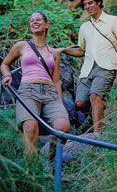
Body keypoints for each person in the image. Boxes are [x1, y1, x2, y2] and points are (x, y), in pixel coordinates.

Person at [1, 11, 70, 162]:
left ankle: (49, 160)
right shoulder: (22, 46)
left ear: (46, 24)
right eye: (32, 20)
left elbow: (56, 80)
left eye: (38, 20)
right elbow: (5, 64)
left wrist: (60, 103)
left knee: (63, 127)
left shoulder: (54, 52)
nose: (34, 22)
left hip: (50, 92)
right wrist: (7, 75)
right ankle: (32, 173)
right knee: (31, 129)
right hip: (28, 91)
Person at [59, 0, 117, 133]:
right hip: (87, 70)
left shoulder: (113, 21)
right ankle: (99, 113)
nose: (88, 7)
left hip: (106, 67)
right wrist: (63, 50)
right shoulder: (85, 27)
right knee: (79, 103)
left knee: (95, 95)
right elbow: (81, 51)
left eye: (90, 3)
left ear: (99, 2)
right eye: (85, 5)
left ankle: (98, 135)